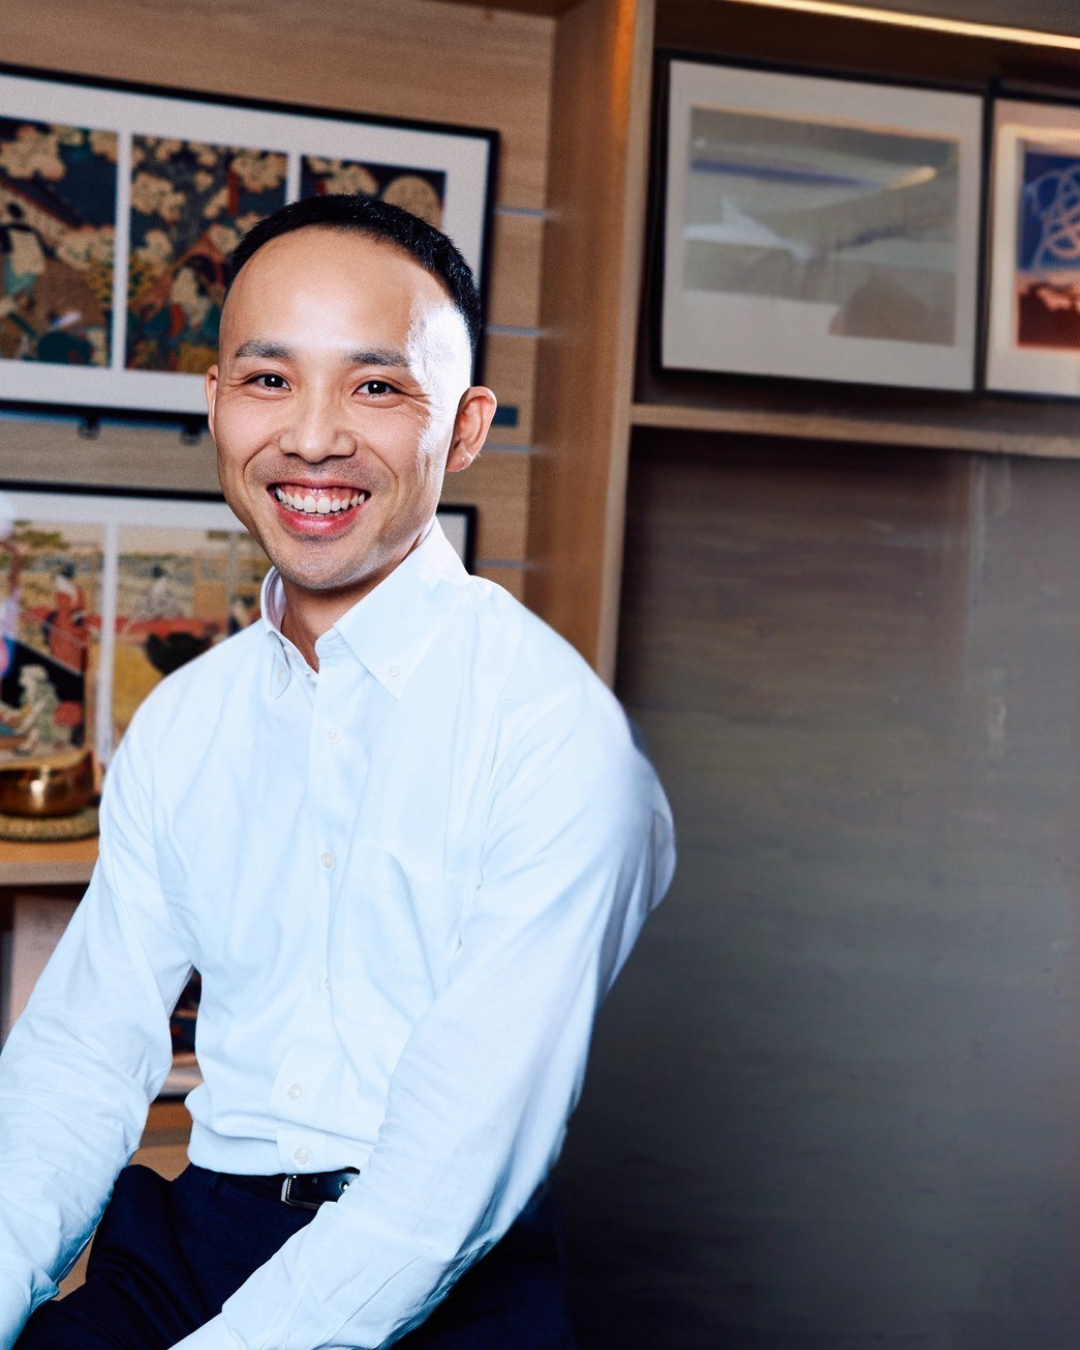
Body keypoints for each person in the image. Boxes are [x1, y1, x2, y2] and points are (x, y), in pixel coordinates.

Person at [0, 194, 675, 1350]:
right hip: (193, 1241)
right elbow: (78, 1064)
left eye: (376, 387)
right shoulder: (186, 720)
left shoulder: (556, 739)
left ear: (465, 428)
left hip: (447, 1275)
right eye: (270, 380)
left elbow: (441, 1194)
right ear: (216, 403)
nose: (312, 438)